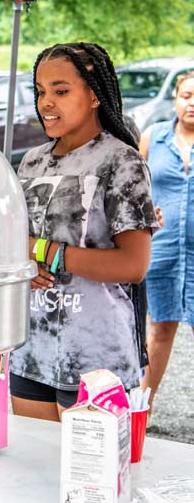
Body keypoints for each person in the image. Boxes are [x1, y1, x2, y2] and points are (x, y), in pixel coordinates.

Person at [10, 42, 157, 422]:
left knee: (91, 478)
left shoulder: (121, 161)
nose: (46, 103)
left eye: (61, 91)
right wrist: (22, 260)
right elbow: (14, 245)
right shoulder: (31, 162)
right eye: (40, 92)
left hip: (97, 357)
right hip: (31, 351)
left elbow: (133, 264)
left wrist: (43, 250)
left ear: (93, 96)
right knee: (32, 474)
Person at [139, 72, 194, 409]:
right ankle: (142, 406)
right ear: (175, 98)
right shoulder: (153, 137)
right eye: (187, 95)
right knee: (160, 331)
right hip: (161, 251)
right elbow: (134, 188)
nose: (193, 103)